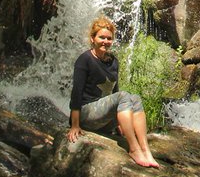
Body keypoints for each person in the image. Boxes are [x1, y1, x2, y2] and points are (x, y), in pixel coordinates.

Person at [67, 15, 160, 168]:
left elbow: (114, 91)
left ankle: (145, 150)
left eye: (109, 38)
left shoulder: (113, 61)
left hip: (103, 118)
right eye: (101, 37)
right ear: (92, 38)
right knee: (124, 96)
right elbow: (76, 94)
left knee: (135, 98)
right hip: (86, 115)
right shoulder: (84, 60)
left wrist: (119, 124)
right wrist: (75, 125)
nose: (105, 41)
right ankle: (134, 149)